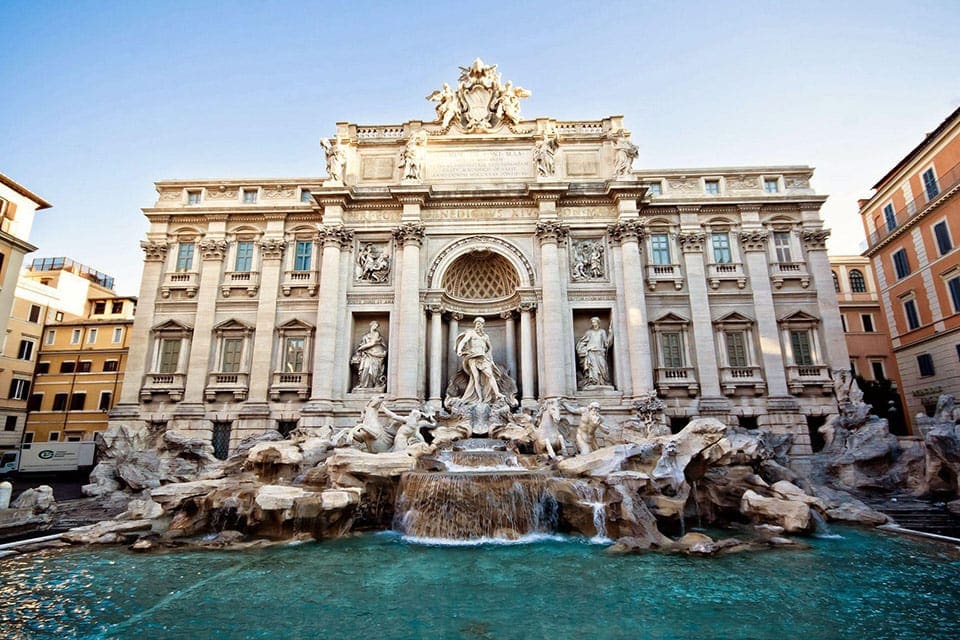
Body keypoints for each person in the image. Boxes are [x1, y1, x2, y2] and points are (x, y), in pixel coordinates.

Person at [455, 317, 504, 405]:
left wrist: (491, 360)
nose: (478, 325)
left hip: (483, 358)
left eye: (480, 324)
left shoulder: (485, 336)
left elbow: (489, 349)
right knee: (476, 378)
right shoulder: (471, 333)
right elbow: (463, 341)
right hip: (473, 357)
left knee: (490, 375)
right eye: (477, 324)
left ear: (483, 325)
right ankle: (479, 398)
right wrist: (459, 350)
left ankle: (497, 393)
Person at [576, 317, 613, 387]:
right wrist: (583, 350)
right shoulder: (589, 332)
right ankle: (594, 382)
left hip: (600, 352)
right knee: (593, 368)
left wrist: (611, 334)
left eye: (594, 322)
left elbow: (606, 344)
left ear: (598, 323)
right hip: (591, 352)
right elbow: (582, 342)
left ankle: (602, 382)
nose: (593, 323)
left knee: (603, 367)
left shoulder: (602, 332)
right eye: (592, 322)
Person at [352, 321, 387, 390]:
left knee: (375, 370)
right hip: (367, 354)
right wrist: (361, 348)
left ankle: (375, 384)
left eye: (377, 326)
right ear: (371, 325)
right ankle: (363, 384)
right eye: (375, 325)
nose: (376, 327)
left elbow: (372, 343)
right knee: (366, 368)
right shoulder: (366, 336)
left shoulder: (376, 334)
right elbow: (363, 344)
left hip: (376, 353)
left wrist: (361, 348)